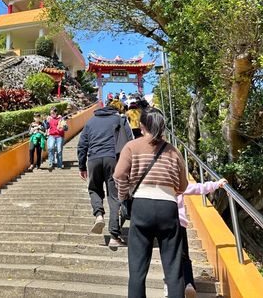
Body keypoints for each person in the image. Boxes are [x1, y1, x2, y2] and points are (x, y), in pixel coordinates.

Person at [113, 108, 188, 298]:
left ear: (141, 125)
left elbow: (119, 175)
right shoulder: (174, 150)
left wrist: (123, 196)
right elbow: (183, 185)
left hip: (141, 206)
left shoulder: (132, 146)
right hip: (168, 208)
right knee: (174, 270)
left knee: (137, 271)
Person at [77, 103, 133, 248]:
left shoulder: (90, 122)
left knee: (94, 189)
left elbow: (82, 145)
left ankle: (98, 215)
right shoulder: (119, 119)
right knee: (114, 196)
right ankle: (114, 236)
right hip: (114, 160)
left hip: (94, 159)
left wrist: (82, 166)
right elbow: (130, 141)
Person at [172, 178, 228, 298]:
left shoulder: (158, 184)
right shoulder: (178, 183)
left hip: (164, 223)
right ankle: (189, 284)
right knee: (184, 257)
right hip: (179, 224)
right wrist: (217, 184)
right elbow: (198, 188)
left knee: (169, 257)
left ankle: (170, 286)